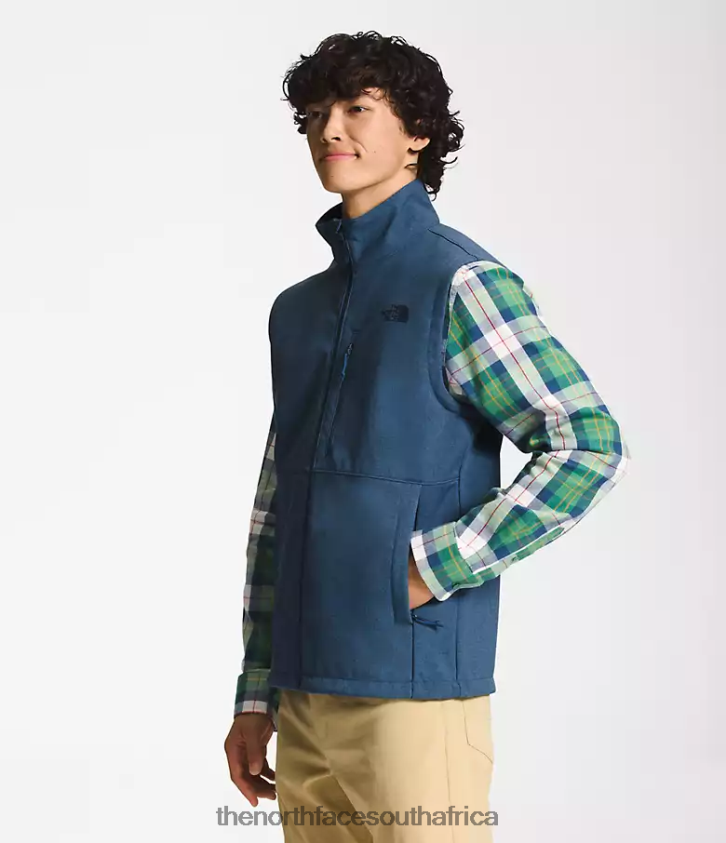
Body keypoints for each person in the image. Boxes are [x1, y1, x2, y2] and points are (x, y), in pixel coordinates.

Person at [224, 31, 630, 842]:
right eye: (316, 113)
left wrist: (433, 565)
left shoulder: (462, 282)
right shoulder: (297, 311)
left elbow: (587, 443)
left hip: (413, 690)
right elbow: (276, 510)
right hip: (303, 694)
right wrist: (257, 690)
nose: (330, 128)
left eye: (356, 108)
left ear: (416, 134)